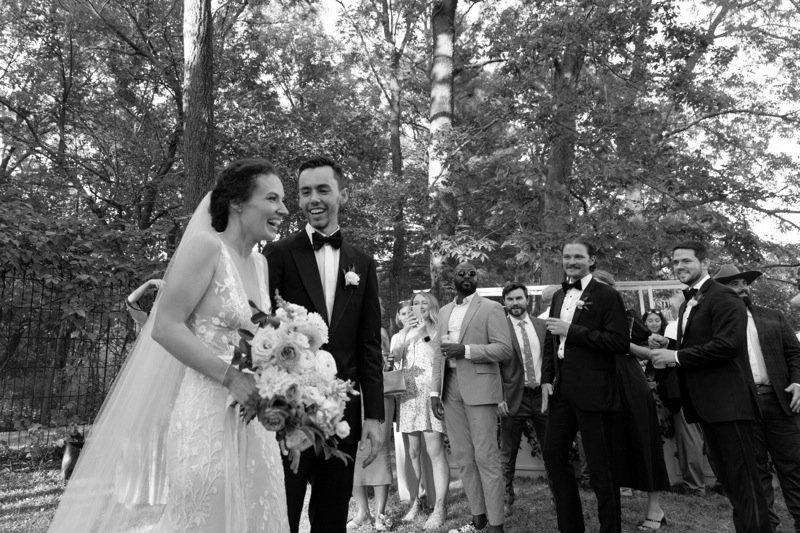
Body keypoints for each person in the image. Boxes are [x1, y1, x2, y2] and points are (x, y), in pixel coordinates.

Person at [48, 158, 291, 532]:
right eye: (273, 198)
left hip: (252, 420)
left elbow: (258, 340)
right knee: (205, 515)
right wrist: (230, 378)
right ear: (239, 203)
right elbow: (165, 326)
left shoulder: (260, 263)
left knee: (259, 511)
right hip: (206, 416)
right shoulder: (205, 248)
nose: (284, 209)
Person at [264, 155, 384, 533]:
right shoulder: (277, 254)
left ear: (340, 195)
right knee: (283, 511)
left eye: (322, 190)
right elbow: (263, 331)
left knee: (332, 518)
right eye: (304, 192)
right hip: (287, 410)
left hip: (342, 414)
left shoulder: (362, 264)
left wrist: (375, 416)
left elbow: (369, 347)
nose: (313, 199)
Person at [650, 240, 771, 533]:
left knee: (745, 483)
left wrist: (675, 355)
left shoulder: (724, 297)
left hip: (730, 406)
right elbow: (703, 344)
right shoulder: (690, 302)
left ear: (704, 263)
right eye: (676, 262)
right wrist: (671, 344)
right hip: (707, 407)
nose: (680, 266)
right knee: (730, 482)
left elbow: (726, 346)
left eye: (686, 261)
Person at [541, 238, 629, 533]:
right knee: (553, 454)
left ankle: (610, 529)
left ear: (592, 260)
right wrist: (545, 380)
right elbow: (550, 343)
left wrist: (573, 331)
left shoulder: (606, 296)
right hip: (562, 390)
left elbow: (619, 342)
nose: (571, 261)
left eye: (578, 256)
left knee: (601, 467)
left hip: (595, 390)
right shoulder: (557, 297)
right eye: (567, 257)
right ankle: (571, 527)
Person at [715, 264, 800, 533]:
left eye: (744, 283)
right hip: (742, 407)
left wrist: (798, 381)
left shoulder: (773, 316)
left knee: (795, 469)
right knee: (756, 473)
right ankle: (767, 528)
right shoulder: (716, 323)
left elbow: (795, 354)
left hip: (781, 403)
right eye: (733, 284)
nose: (742, 289)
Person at [431, 262, 513, 533]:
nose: (466, 277)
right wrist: (434, 392)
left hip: (480, 389)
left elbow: (504, 350)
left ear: (478, 278)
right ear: (451, 278)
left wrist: (464, 350)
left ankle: (496, 524)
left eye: (472, 273)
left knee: (486, 457)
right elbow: (437, 354)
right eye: (461, 273)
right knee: (464, 458)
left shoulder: (491, 308)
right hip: (450, 389)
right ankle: (478, 518)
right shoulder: (443, 311)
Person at [593, 270, 669, 532]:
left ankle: (654, 508)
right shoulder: (583, 318)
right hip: (598, 382)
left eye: (601, 286)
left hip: (627, 380)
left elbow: (644, 350)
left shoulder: (629, 318)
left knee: (642, 440)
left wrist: (620, 344)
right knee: (608, 445)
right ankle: (612, 511)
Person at [395, 291, 449, 530]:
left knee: (435, 451)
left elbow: (438, 357)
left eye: (423, 303)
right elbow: (394, 357)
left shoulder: (438, 329)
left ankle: (440, 507)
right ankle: (417, 501)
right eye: (415, 303)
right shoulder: (403, 333)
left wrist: (423, 332)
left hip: (430, 395)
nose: (419, 306)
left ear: (432, 306)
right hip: (408, 395)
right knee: (413, 453)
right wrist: (406, 332)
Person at [497, 282, 548, 516]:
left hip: (542, 398)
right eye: (510, 299)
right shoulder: (499, 329)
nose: (515, 303)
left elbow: (550, 362)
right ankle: (506, 498)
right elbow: (494, 366)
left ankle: (560, 497)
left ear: (526, 300)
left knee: (553, 451)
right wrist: (499, 397)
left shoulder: (542, 326)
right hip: (512, 398)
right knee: (507, 454)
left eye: (519, 298)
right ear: (504, 303)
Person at [657, 295, 708, 497]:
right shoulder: (708, 324)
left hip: (685, 386)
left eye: (672, 307)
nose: (669, 311)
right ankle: (724, 481)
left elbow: (670, 361)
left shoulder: (673, 327)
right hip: (711, 385)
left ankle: (694, 485)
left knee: (690, 437)